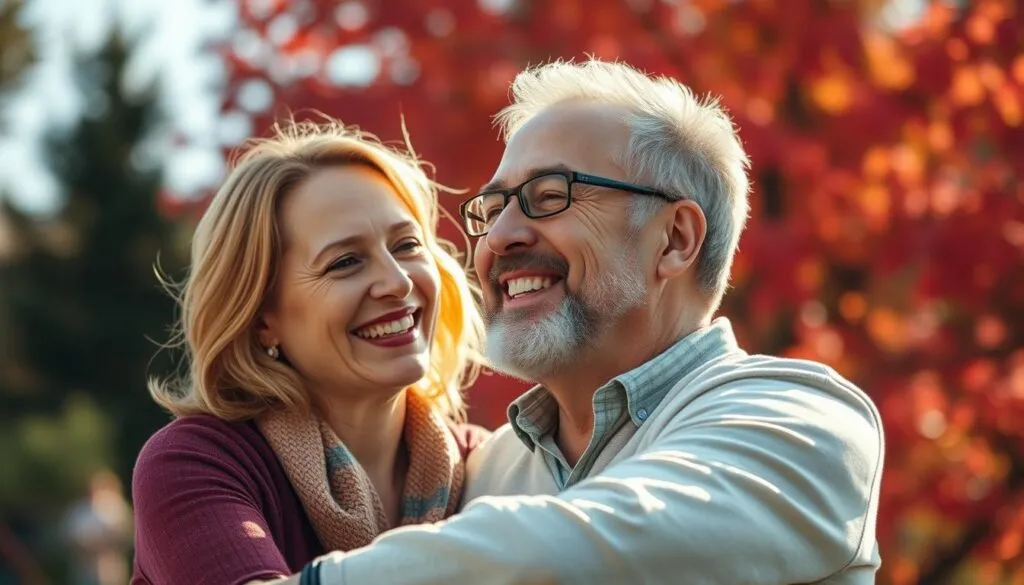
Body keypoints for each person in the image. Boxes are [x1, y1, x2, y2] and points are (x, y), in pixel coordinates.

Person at [271, 59, 885, 585]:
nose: (500, 238)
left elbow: (580, 547)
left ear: (674, 239)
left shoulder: (803, 423)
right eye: (494, 207)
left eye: (550, 195)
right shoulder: (483, 472)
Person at [129, 118, 488, 585]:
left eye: (406, 245)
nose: (398, 282)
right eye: (345, 262)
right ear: (262, 318)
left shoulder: (486, 463)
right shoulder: (194, 463)